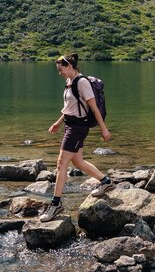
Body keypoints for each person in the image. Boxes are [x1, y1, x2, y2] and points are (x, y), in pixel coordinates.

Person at [39, 53, 113, 222]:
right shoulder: (69, 82)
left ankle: (55, 205)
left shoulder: (82, 82)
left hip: (78, 127)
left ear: (70, 66)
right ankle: (106, 181)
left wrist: (104, 129)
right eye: (58, 70)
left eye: (61, 69)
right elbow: (69, 107)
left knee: (61, 163)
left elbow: (93, 108)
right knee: (78, 162)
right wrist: (58, 122)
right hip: (69, 125)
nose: (59, 73)